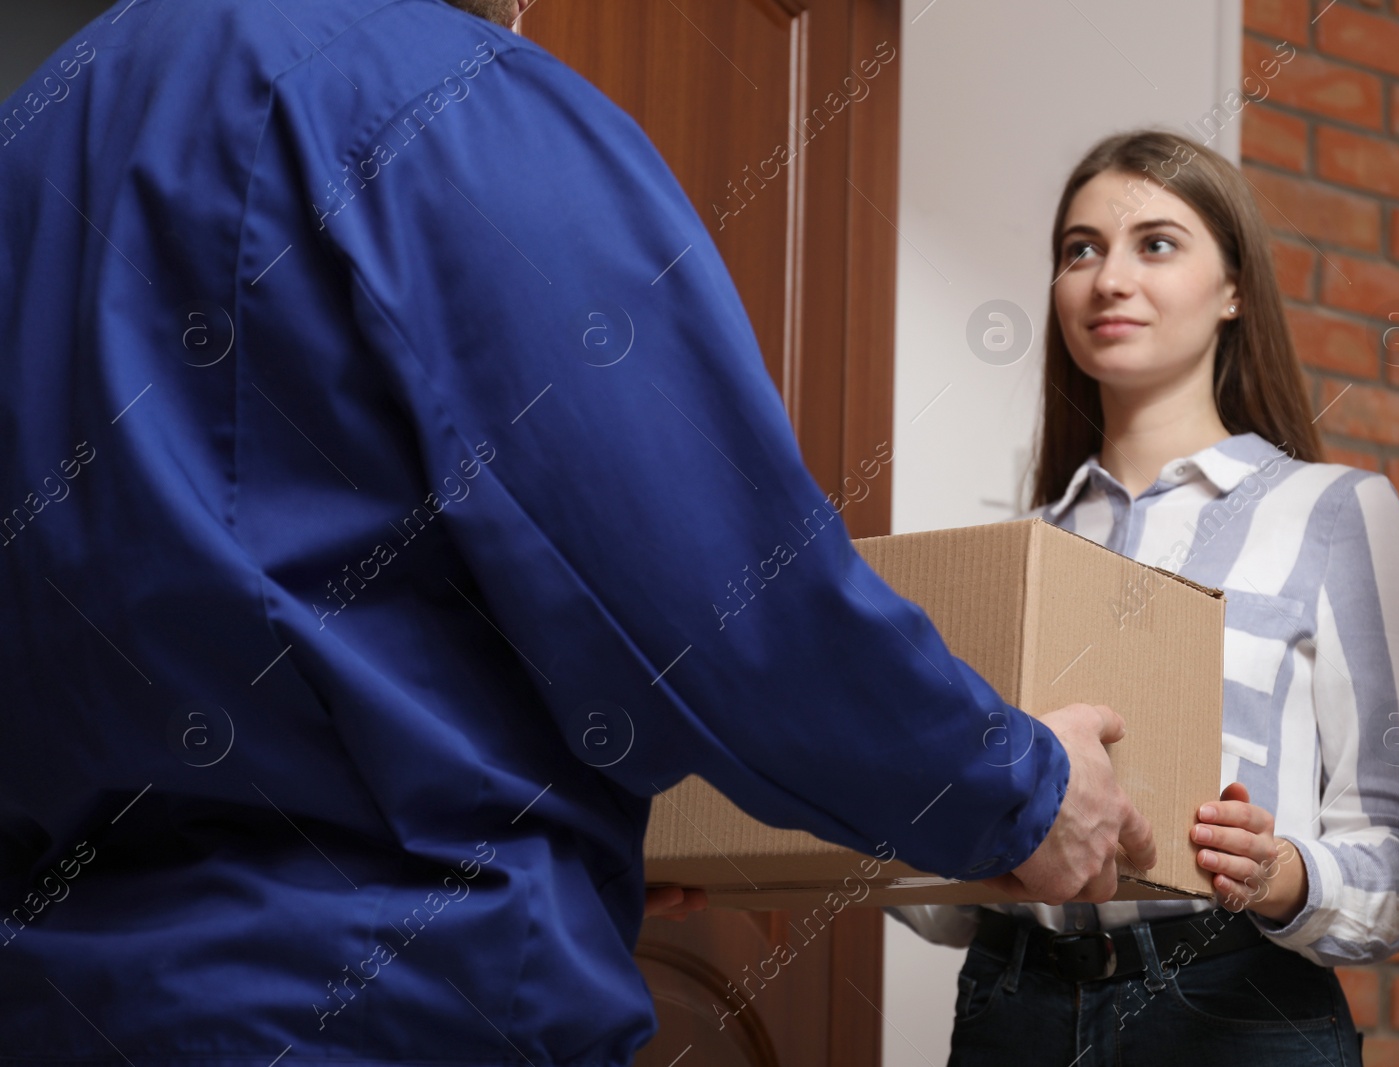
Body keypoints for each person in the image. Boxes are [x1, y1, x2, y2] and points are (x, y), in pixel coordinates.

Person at [0, 1, 1157, 1063]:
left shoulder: (39, 133)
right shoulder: (443, 101)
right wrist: (1023, 790)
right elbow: (724, 594)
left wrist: (588, 822)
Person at [890, 129, 1399, 1066]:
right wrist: (927, 816)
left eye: (1156, 242)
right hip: (1010, 1005)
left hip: (1238, 1011)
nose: (1108, 278)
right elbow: (946, 914)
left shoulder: (1337, 514)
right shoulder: (1014, 552)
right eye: (1081, 250)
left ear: (1233, 289)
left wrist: (1282, 874)